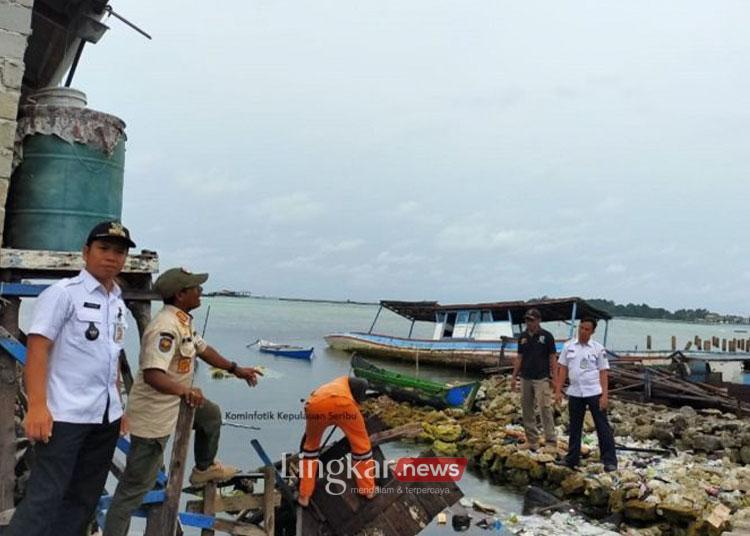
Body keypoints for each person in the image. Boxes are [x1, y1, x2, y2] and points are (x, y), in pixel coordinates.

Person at [103, 267, 262, 536]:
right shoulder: (164, 328)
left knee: (210, 414)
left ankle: (203, 468)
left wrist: (236, 369)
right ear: (180, 294)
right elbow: (153, 375)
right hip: (153, 417)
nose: (200, 291)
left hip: (175, 405)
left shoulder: (182, 321)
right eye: (195, 288)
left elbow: (204, 349)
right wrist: (184, 391)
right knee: (132, 491)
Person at [7, 221, 135, 536]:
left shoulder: (117, 301)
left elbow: (111, 356)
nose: (111, 258)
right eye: (104, 249)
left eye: (119, 252)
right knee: (45, 498)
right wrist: (37, 406)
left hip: (104, 418)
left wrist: (117, 406)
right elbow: (37, 348)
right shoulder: (62, 294)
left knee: (83, 499)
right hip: (65, 416)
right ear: (86, 252)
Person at [298, 376, 374, 507]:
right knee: (361, 446)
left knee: (310, 449)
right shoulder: (349, 394)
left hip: (315, 404)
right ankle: (368, 490)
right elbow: (351, 404)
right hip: (343, 405)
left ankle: (304, 496)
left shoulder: (338, 383)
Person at [554, 317, 617, 472]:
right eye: (581, 328)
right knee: (574, 426)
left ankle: (609, 460)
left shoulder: (597, 348)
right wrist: (557, 390)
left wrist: (605, 395)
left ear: (592, 331)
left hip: (594, 391)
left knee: (602, 426)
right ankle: (572, 458)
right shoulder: (569, 347)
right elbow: (562, 369)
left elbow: (603, 372)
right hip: (575, 392)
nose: (583, 332)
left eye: (586, 329)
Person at [511, 308, 557, 452]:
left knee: (545, 408)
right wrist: (514, 376)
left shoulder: (547, 336)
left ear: (538, 320)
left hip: (542, 378)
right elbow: (519, 357)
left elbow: (552, 358)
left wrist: (554, 378)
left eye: (531, 320)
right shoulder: (523, 337)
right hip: (525, 377)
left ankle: (551, 442)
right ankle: (532, 441)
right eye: (527, 320)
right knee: (527, 409)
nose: (528, 323)